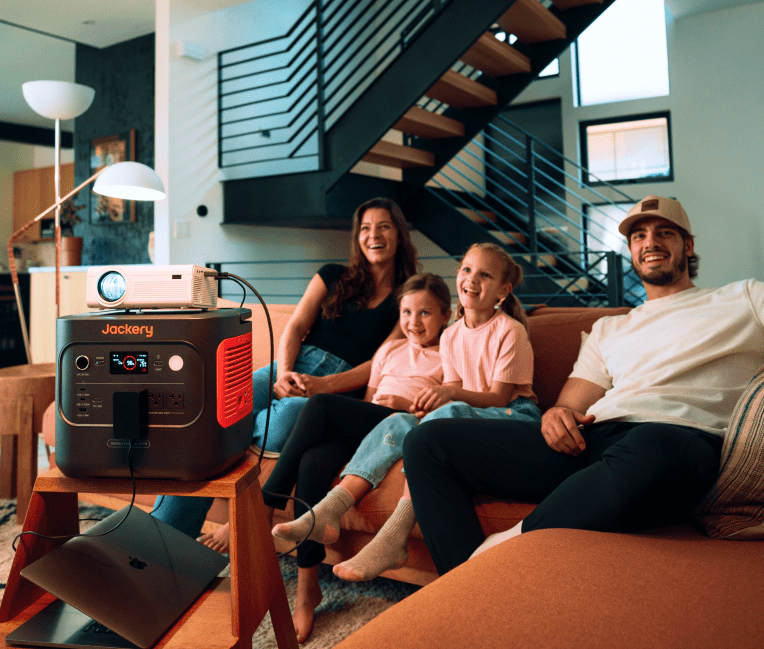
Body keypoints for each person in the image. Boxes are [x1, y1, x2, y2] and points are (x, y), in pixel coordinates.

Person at [402, 194, 764, 576]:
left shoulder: (742, 299)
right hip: (592, 442)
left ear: (687, 245)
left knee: (660, 444)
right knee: (427, 443)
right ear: (630, 250)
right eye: (639, 236)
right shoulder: (609, 328)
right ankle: (466, 593)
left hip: (677, 442)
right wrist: (556, 416)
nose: (650, 243)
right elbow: (570, 404)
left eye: (664, 233)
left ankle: (501, 552)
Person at [150, 197, 418, 545]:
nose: (373, 235)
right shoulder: (332, 275)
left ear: (399, 233)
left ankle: (228, 462)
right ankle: (165, 541)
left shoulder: (408, 297)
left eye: (384, 226)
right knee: (213, 414)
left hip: (336, 389)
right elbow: (294, 328)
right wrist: (284, 373)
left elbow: (381, 361)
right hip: (289, 367)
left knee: (275, 418)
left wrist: (321, 385)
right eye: (365, 228)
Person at [329, 243, 539, 582]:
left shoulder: (510, 331)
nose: (472, 279)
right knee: (399, 420)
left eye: (485, 275)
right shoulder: (452, 335)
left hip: (516, 417)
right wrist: (434, 402)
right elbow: (454, 393)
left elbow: (499, 398)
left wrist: (449, 394)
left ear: (503, 290)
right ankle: (332, 506)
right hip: (467, 415)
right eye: (467, 270)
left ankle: (394, 534)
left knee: (451, 409)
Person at [260, 273, 451, 643]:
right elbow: (368, 402)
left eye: (425, 313)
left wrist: (407, 406)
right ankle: (307, 587)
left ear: (445, 315)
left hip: (404, 424)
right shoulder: (389, 351)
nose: (414, 322)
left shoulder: (450, 355)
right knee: (312, 462)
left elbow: (448, 414)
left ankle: (266, 500)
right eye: (408, 312)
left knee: (319, 404)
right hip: (370, 427)